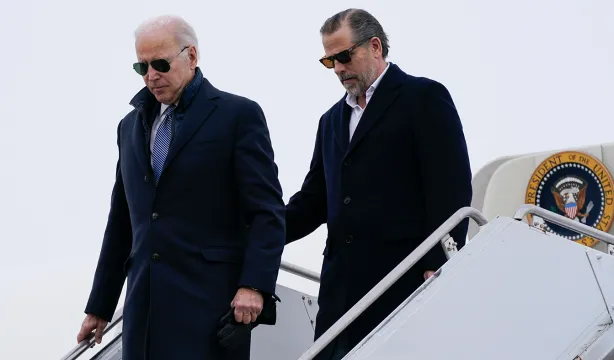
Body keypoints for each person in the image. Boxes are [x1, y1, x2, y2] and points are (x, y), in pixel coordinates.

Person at [76, 15, 286, 360]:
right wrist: (99, 306)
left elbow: (266, 211)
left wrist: (255, 286)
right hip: (144, 313)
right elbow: (122, 222)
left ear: (192, 56)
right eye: (141, 66)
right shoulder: (129, 128)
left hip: (210, 308)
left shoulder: (238, 115)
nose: (150, 76)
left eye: (160, 63)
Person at [285, 8, 473, 359]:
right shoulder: (330, 121)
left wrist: (439, 264)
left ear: (375, 46)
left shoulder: (423, 98)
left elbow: (451, 188)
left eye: (344, 56)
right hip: (339, 294)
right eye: (330, 61)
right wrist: (258, 230)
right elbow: (313, 201)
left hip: (404, 281)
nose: (339, 68)